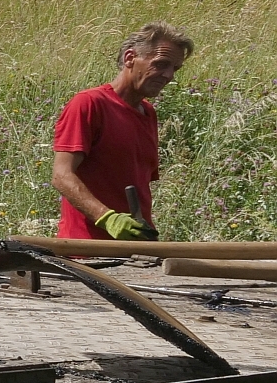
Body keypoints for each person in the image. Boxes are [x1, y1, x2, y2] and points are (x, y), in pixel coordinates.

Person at [51, 22, 193, 240]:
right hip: (88, 248)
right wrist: (107, 218)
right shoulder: (89, 104)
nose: (168, 75)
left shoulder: (147, 112)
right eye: (161, 64)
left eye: (175, 68)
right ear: (130, 58)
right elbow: (61, 175)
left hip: (134, 246)